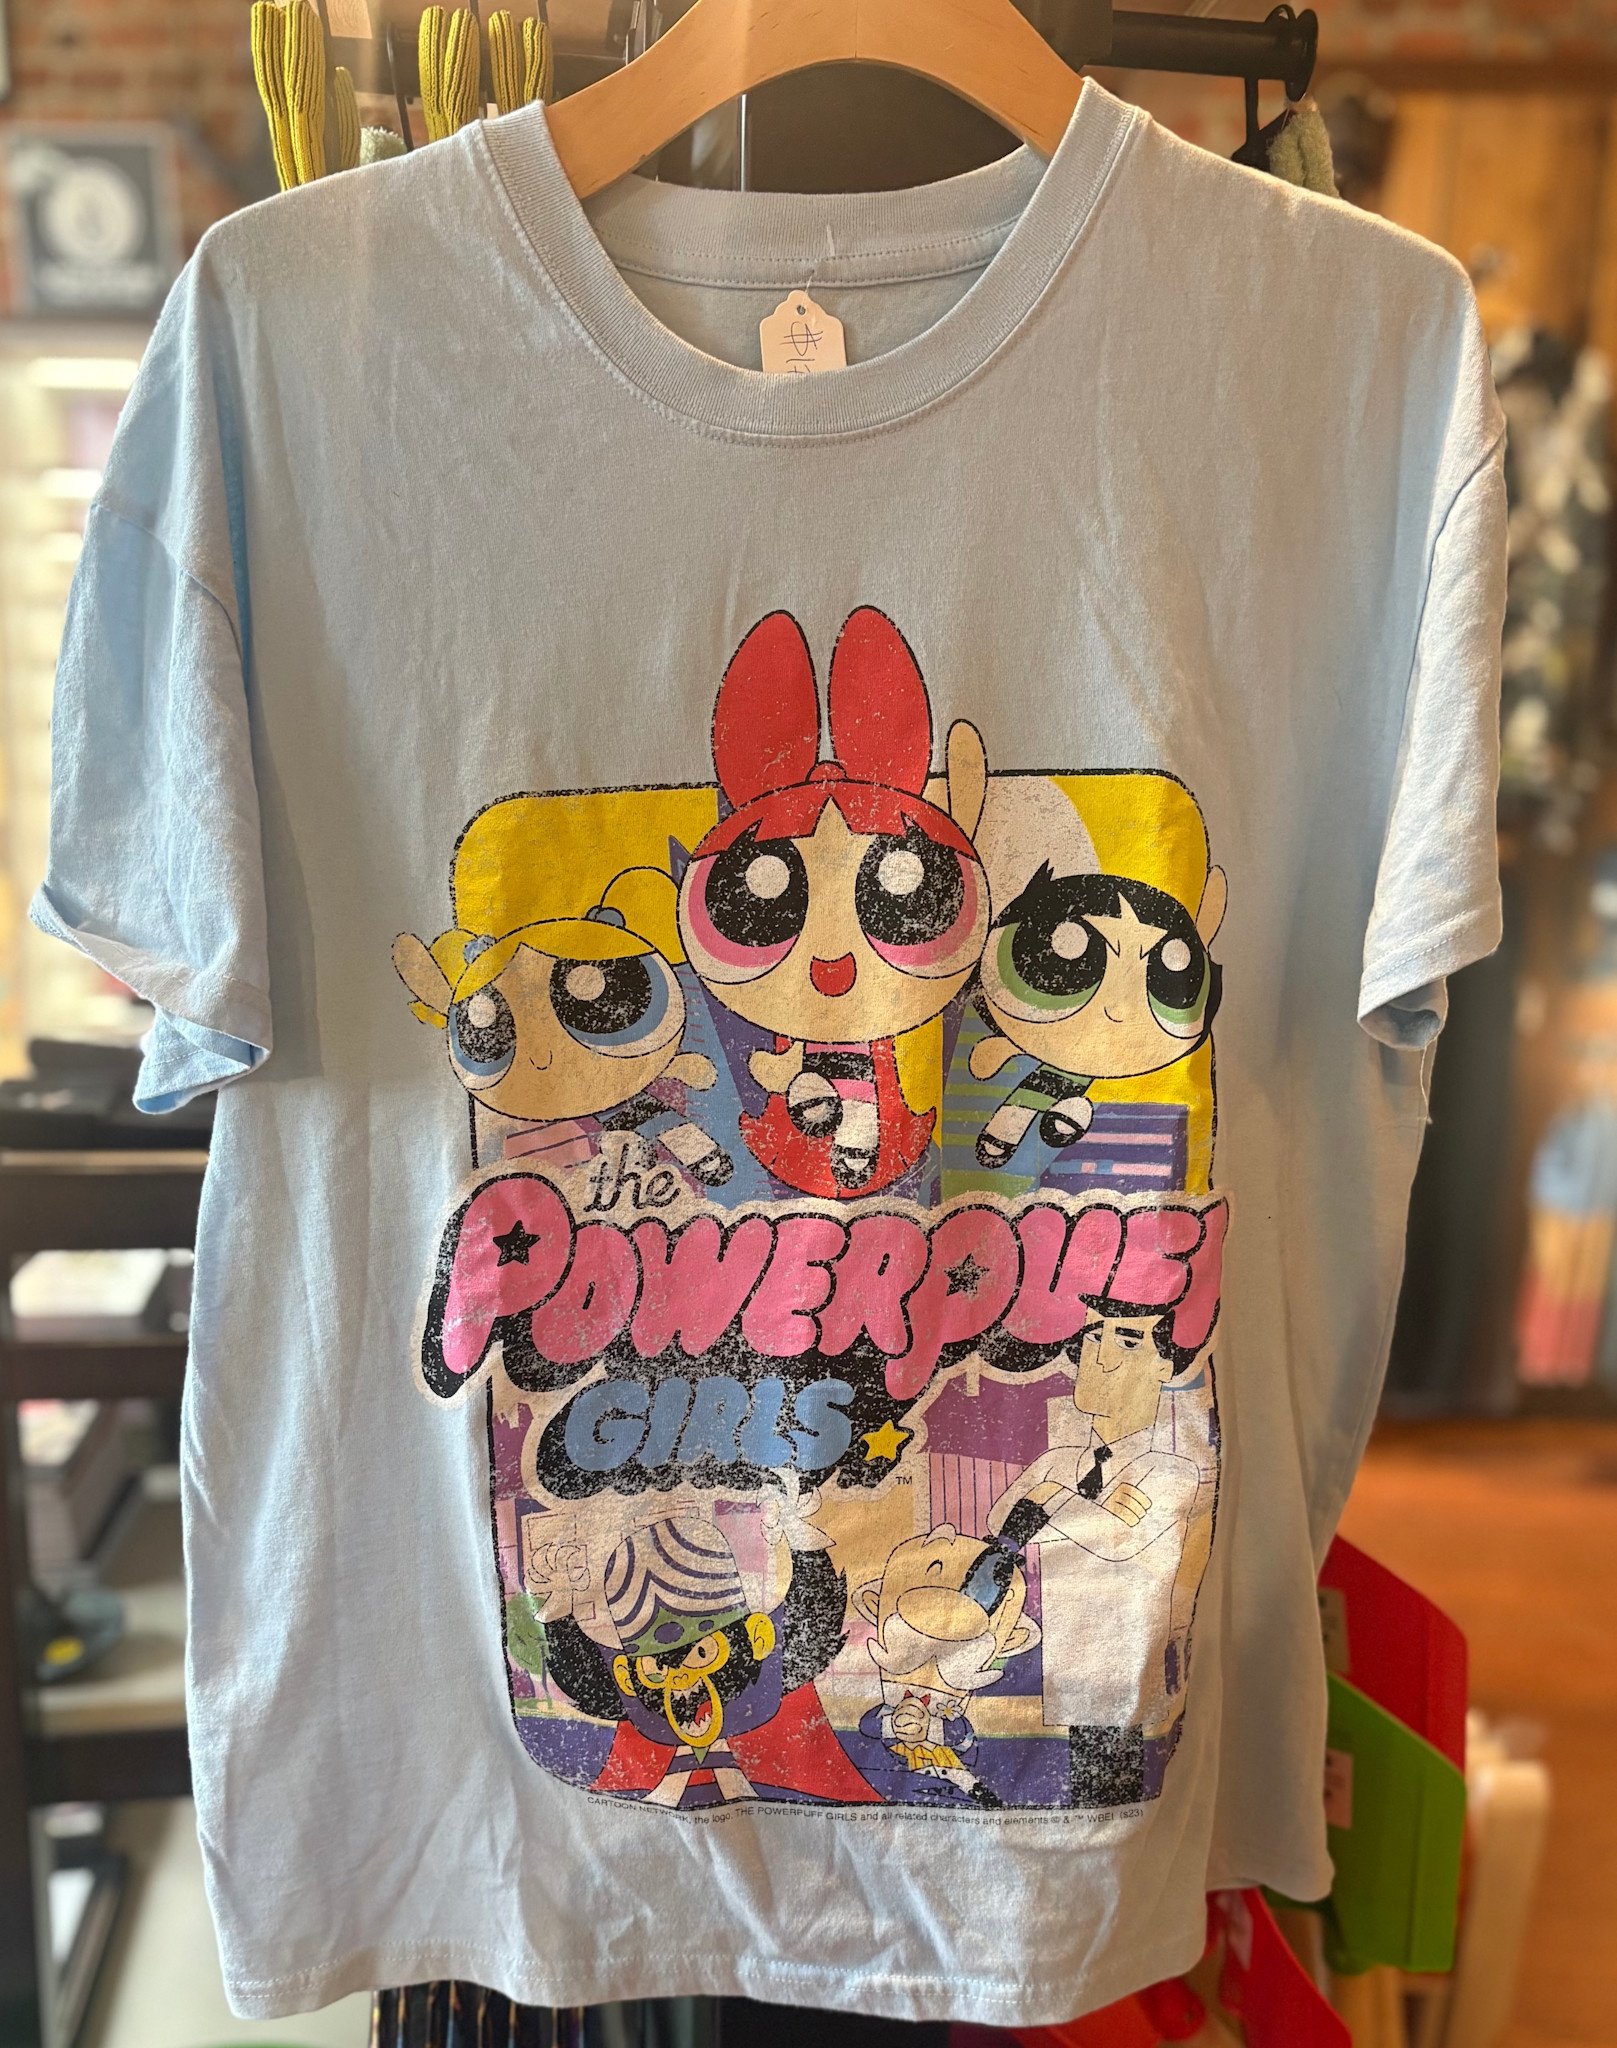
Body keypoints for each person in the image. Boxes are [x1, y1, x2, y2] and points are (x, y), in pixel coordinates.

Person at [988, 1299, 1209, 1808]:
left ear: (1165, 1365)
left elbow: (1120, 1540)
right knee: (1076, 1797)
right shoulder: (1057, 1461)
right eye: (1093, 1337)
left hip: (1129, 1669)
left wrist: (1047, 1506)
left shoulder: (1171, 1468)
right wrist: (1083, 1509)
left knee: (1118, 1796)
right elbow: (1002, 1521)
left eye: (1127, 1341)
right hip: (1066, 1660)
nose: (1101, 1357)